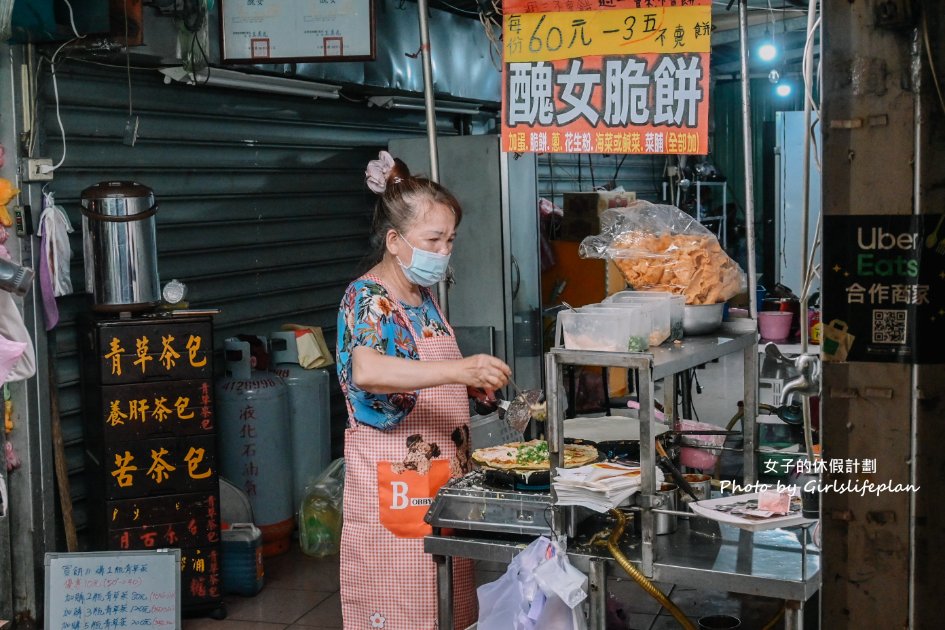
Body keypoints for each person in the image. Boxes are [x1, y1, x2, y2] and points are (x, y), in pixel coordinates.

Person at [336, 150, 511, 629]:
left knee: (449, 606)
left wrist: (469, 388)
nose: (443, 251)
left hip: (443, 478)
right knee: (407, 611)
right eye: (433, 239)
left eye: (449, 240)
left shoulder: (422, 297)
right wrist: (458, 371)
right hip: (397, 481)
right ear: (395, 240)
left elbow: (420, 373)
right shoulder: (368, 297)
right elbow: (368, 369)